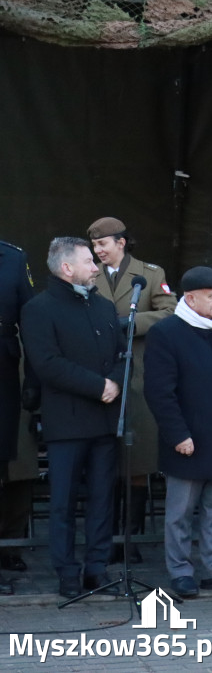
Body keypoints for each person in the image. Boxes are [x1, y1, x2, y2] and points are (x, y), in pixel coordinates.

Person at [21, 237, 125, 597]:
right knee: (63, 503)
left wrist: (115, 382)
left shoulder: (103, 305)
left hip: (105, 421)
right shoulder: (39, 308)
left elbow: (123, 354)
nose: (96, 267)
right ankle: (67, 574)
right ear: (67, 268)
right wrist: (100, 386)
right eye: (88, 261)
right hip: (66, 422)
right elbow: (47, 364)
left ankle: (97, 570)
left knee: (102, 499)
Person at [144, 267, 212, 597]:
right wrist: (178, 434)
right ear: (190, 298)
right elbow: (160, 391)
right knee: (180, 512)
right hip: (188, 437)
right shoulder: (167, 333)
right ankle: (180, 571)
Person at [88, 216, 176, 563]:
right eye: (94, 247)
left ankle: (130, 538)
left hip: (138, 377)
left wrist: (129, 324)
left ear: (121, 242)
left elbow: (170, 312)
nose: (98, 252)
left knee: (137, 461)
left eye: (103, 245)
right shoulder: (88, 272)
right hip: (99, 377)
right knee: (103, 461)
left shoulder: (149, 273)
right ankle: (104, 537)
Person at [0, 238, 33, 595]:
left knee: (12, 464)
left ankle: (9, 547)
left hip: (6, 374)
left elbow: (28, 316)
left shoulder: (12, 257)